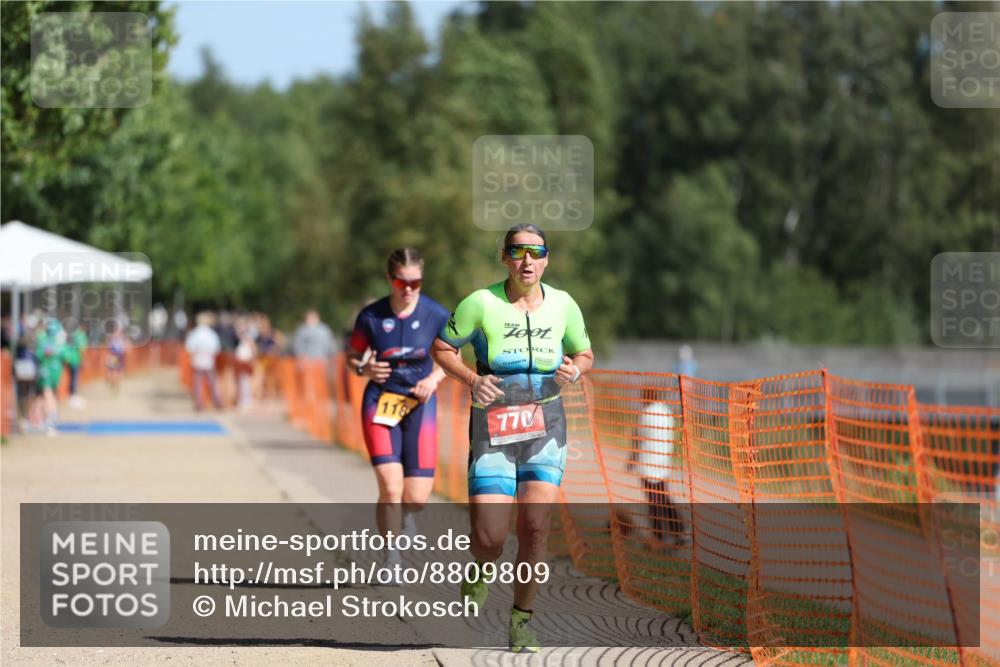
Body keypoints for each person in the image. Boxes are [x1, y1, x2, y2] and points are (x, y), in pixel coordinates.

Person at [432, 223, 594, 653]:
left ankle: (522, 620)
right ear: (504, 257)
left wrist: (575, 369)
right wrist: (472, 379)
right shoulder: (480, 303)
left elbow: (585, 353)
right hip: (494, 426)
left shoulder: (563, 304)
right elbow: (442, 348)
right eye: (518, 251)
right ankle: (482, 567)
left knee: (536, 527)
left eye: (536, 252)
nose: (527, 261)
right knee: (490, 538)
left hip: (547, 426)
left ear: (546, 259)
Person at [347, 248, 450, 574]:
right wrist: (364, 368)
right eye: (400, 282)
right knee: (390, 487)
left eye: (415, 282)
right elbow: (352, 357)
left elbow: (452, 359)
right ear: (389, 279)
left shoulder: (436, 314)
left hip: (420, 404)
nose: (408, 289)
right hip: (381, 402)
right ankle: (390, 558)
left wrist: (433, 379)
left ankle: (408, 515)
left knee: (416, 497)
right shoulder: (371, 316)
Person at [628, 387, 686, 548]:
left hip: (648, 464)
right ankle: (678, 530)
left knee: (654, 502)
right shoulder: (666, 411)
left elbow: (637, 438)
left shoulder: (646, 414)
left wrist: (631, 460)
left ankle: (658, 537)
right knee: (664, 498)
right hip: (663, 463)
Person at [185, 312, 223, 411]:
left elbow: (189, 347)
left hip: (198, 360)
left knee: (198, 383)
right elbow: (216, 349)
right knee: (212, 383)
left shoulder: (195, 333)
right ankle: (217, 402)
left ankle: (199, 403)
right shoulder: (212, 334)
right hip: (209, 361)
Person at [35, 318, 66, 435]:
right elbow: (66, 356)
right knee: (44, 396)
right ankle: (42, 421)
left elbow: (39, 354)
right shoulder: (59, 343)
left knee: (47, 395)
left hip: (46, 373)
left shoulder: (44, 341)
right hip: (53, 373)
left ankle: (50, 422)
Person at [63, 319, 89, 409]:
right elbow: (82, 349)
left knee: (72, 378)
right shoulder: (80, 335)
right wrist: (84, 360)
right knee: (74, 378)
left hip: (70, 359)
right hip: (75, 359)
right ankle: (73, 397)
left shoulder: (73, 334)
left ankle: (72, 396)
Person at [105, 321, 127, 393]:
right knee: (115, 371)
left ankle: (115, 385)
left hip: (117, 355)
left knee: (116, 371)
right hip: (116, 355)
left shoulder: (113, 337)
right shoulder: (117, 337)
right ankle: (114, 385)